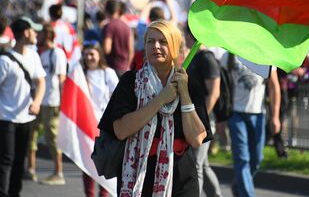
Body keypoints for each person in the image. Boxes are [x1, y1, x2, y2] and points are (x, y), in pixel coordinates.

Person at [100, 20, 210, 196]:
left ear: (174, 45)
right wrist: (160, 99)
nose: (155, 46)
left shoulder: (190, 84)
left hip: (182, 175)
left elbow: (196, 139)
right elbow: (120, 130)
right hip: (138, 172)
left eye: (163, 41)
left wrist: (185, 94)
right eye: (150, 41)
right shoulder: (130, 81)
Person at [0, 16, 46, 197]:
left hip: (26, 118)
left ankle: (14, 193)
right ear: (26, 32)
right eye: (33, 30)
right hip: (5, 118)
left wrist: (36, 102)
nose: (36, 34)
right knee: (6, 160)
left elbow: (41, 82)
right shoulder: (4, 60)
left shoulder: (34, 55)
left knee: (20, 160)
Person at [226, 55, 281, 197]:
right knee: (242, 158)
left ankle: (239, 184)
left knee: (257, 158)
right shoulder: (230, 54)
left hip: (258, 114)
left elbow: (274, 87)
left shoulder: (265, 56)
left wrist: (275, 117)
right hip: (236, 114)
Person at [26, 23, 67, 185]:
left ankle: (59, 172)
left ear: (47, 36)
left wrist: (63, 103)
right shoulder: (41, 55)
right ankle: (30, 169)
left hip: (52, 102)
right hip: (39, 100)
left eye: (40, 34)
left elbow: (61, 79)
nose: (38, 37)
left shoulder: (57, 53)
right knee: (32, 135)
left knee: (52, 138)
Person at [185, 28, 222, 197]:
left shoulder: (206, 58)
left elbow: (214, 93)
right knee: (203, 164)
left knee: (195, 166)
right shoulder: (193, 58)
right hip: (195, 120)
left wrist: (201, 121)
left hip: (203, 122)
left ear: (188, 35)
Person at [78, 41, 118, 197]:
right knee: (87, 164)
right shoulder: (79, 74)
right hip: (85, 125)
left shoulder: (107, 73)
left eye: (92, 54)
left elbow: (117, 95)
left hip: (103, 126)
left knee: (104, 162)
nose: (89, 57)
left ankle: (104, 194)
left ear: (99, 55)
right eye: (86, 54)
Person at [101, 0, 133, 76]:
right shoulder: (126, 26)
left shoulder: (109, 26)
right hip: (124, 68)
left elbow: (107, 49)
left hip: (112, 68)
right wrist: (128, 66)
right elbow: (131, 50)